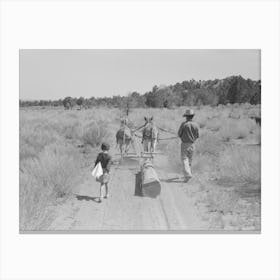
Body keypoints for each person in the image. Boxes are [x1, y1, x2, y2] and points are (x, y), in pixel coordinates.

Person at [178, 109, 199, 182]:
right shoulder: (196, 125)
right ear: (192, 116)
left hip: (184, 144)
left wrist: (183, 136)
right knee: (190, 159)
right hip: (192, 144)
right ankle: (187, 177)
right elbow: (197, 136)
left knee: (184, 159)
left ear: (186, 116)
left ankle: (188, 174)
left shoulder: (184, 124)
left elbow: (179, 134)